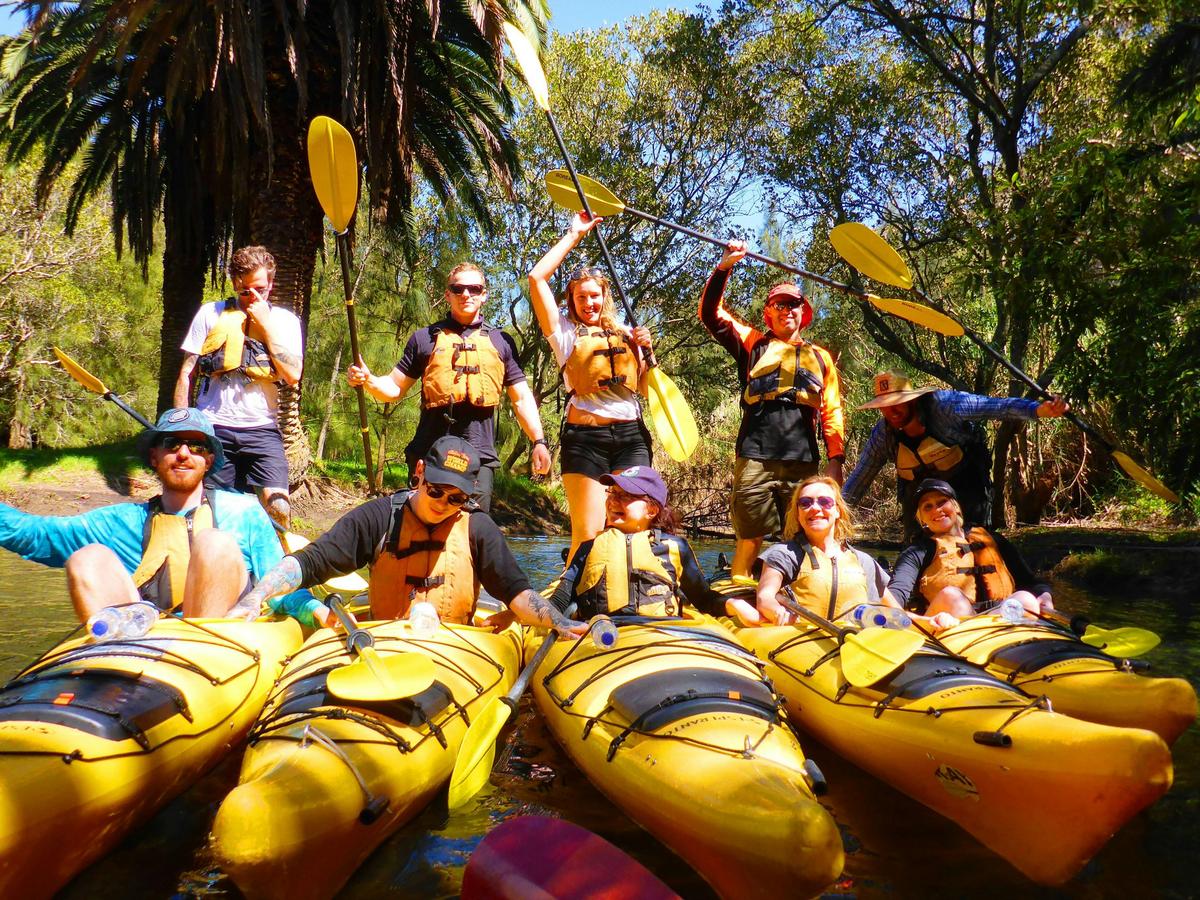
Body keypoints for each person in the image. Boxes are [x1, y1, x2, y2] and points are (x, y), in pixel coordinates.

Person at [239, 436, 585, 636]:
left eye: (457, 498)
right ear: (419, 473)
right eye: (436, 491)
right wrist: (256, 596)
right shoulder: (379, 518)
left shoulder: (478, 527)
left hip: (455, 649)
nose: (444, 504)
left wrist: (560, 622)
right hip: (387, 640)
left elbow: (518, 593)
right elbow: (310, 562)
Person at [0, 408, 319, 623]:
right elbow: (34, 534)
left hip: (222, 652)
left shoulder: (244, 512)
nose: (183, 453)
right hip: (147, 644)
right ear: (154, 456)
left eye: (196, 447)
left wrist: (316, 613)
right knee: (88, 557)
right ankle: (113, 664)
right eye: (172, 443)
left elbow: (280, 589)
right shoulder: (122, 523)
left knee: (214, 544)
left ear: (208, 461)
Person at [346, 263, 551, 513]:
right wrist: (368, 380)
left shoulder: (501, 342)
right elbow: (393, 388)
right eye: (458, 288)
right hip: (428, 452)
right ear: (448, 294)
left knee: (471, 531)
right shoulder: (424, 338)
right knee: (419, 526)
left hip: (479, 456)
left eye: (474, 289)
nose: (466, 294)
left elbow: (521, 399)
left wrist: (538, 441)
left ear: (484, 295)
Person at [700, 241, 846, 580]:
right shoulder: (752, 343)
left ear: (803, 313)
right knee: (750, 540)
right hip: (755, 456)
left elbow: (832, 411)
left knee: (799, 539)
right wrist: (725, 267)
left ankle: (795, 594)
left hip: (802, 461)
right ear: (770, 312)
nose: (787, 311)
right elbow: (710, 314)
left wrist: (835, 460)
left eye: (793, 306)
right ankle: (738, 595)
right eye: (780, 305)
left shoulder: (821, 358)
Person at [528, 213, 654, 558]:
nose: (589, 304)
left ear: (605, 296)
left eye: (595, 296)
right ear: (572, 300)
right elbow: (537, 278)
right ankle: (574, 601)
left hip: (631, 437)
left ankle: (633, 597)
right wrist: (574, 235)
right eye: (581, 297)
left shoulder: (627, 334)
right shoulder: (564, 335)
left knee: (634, 527)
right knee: (589, 532)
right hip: (585, 441)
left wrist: (646, 349)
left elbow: (643, 386)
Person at [842, 371, 1069, 538]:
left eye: (896, 403)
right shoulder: (884, 434)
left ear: (911, 399)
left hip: (966, 489)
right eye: (883, 406)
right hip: (919, 498)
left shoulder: (946, 407)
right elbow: (860, 477)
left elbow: (995, 406)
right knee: (918, 548)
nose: (890, 411)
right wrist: (836, 512)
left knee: (974, 543)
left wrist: (1036, 410)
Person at [175, 246, 303, 530]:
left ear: (271, 283)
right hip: (214, 428)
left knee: (279, 507)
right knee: (212, 517)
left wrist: (266, 326)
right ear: (235, 284)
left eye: (260, 289)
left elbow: (293, 374)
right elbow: (187, 373)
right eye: (245, 291)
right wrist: (179, 428)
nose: (253, 297)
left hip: (262, 430)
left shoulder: (285, 322)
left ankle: (277, 563)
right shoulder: (210, 313)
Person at [739, 476, 957, 632]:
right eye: (805, 503)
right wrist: (777, 612)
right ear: (797, 513)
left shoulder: (864, 562)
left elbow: (895, 613)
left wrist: (929, 621)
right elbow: (766, 597)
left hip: (856, 642)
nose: (815, 508)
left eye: (824, 502)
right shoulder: (784, 554)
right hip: (802, 641)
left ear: (837, 511)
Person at [547, 466, 726, 620]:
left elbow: (704, 600)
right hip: (602, 636)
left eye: (625, 495)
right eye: (612, 492)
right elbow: (560, 601)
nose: (613, 501)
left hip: (660, 637)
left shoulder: (675, 547)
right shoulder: (589, 548)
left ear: (652, 510)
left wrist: (731, 605)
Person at [887, 479, 1054, 620]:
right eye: (927, 507)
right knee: (951, 597)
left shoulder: (992, 540)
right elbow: (896, 595)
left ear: (956, 507)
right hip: (951, 622)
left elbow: (1031, 582)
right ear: (921, 518)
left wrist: (1045, 595)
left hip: (996, 619)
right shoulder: (918, 551)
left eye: (942, 502)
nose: (936, 510)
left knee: (1025, 599)